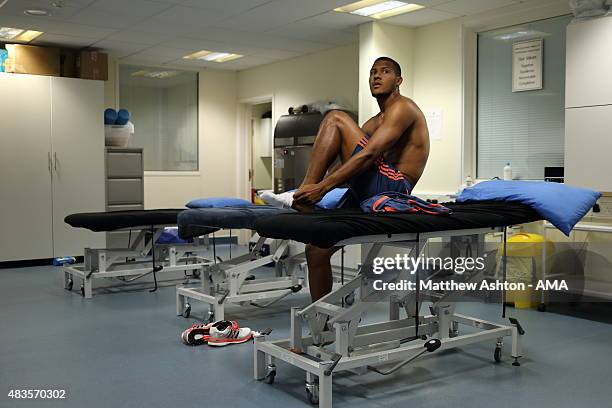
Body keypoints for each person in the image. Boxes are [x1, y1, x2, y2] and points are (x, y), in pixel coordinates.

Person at [270, 56, 431, 301]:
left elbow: (368, 156)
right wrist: (321, 187)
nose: (376, 76)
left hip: (394, 189)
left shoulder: (404, 107)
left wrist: (321, 188)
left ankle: (300, 197)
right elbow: (345, 159)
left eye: (385, 72)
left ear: (398, 80)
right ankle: (321, 320)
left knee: (336, 117)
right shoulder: (375, 121)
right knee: (316, 250)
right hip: (370, 189)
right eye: (373, 72)